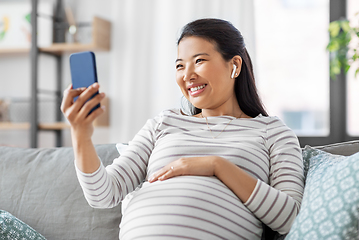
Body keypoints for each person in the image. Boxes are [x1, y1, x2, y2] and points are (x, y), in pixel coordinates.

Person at [61, 18, 304, 240]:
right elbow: (103, 194)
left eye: (199, 61)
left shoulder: (273, 132)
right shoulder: (163, 123)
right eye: (179, 66)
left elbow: (291, 218)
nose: (187, 75)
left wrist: (216, 165)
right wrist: (81, 135)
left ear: (235, 65)